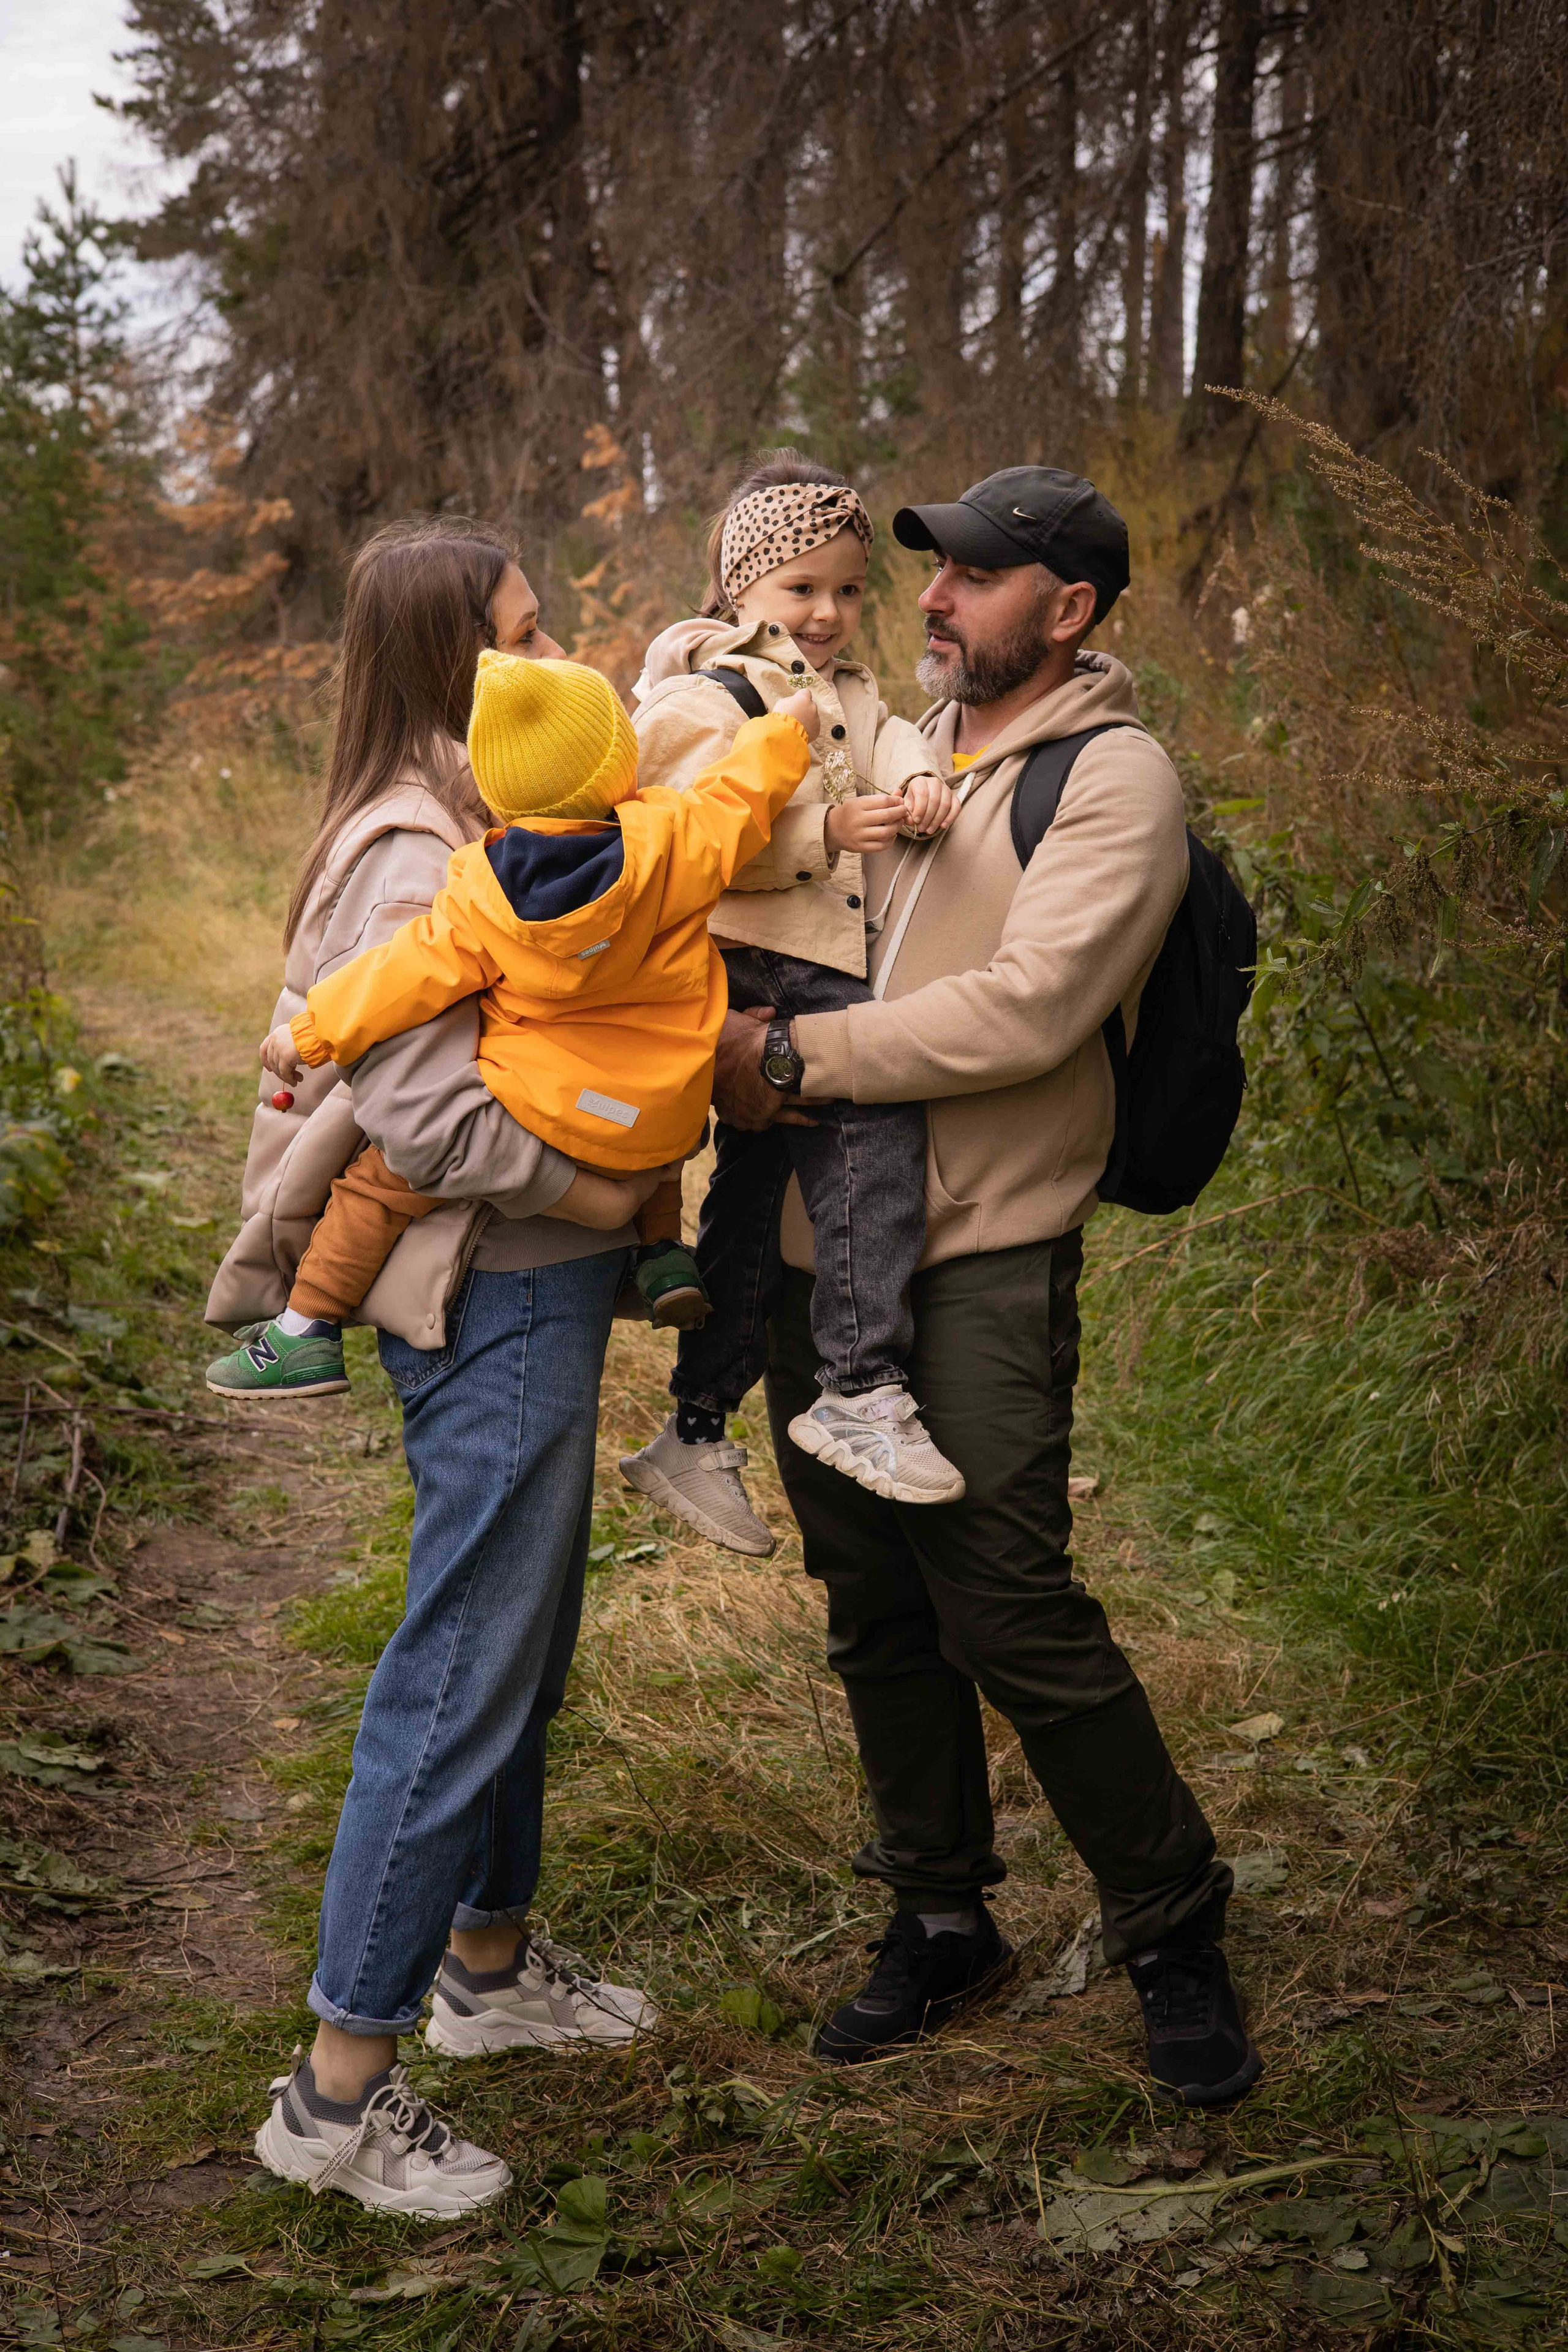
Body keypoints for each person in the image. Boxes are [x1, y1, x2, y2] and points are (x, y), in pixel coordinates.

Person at [713, 467, 1261, 2109]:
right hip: (819, 1253)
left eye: (971, 577)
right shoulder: (888, 743)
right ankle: (942, 1918)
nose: (932, 600)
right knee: (874, 1601)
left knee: (1007, 1603)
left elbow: (1029, 1012)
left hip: (985, 1245)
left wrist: (794, 1058)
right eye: (930, 574)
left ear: (1068, 608)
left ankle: (1174, 1926)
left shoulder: (1115, 778)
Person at [206, 518, 671, 2218]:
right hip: (495, 1289)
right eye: (519, 639)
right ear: (439, 664)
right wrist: (599, 1187)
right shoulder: (410, 844)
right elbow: (416, 1111)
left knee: (519, 1648)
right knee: (463, 1664)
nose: (552, 662)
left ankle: (485, 1966)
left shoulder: (489, 808)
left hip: (537, 1286)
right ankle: (337, 2091)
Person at [214, 652, 816, 1393]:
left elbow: (400, 975)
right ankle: (663, 1253)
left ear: (496, 794)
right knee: (649, 1104)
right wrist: (787, 731)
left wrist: (309, 1033)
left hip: (543, 1111)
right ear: (620, 766)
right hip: (661, 1116)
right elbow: (743, 795)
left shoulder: (477, 896)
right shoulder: (675, 842)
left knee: (378, 1186)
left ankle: (306, 1327)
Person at [619, 451, 965, 1561]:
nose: (828, 613)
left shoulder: (846, 691)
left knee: (761, 1205)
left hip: (809, 959)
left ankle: (695, 1427)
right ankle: (860, 1384)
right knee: (870, 1141)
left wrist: (919, 775)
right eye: (800, 589)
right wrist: (817, 835)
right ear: (737, 591)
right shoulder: (707, 692)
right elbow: (673, 833)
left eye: (850, 589)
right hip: (759, 967)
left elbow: (887, 730)